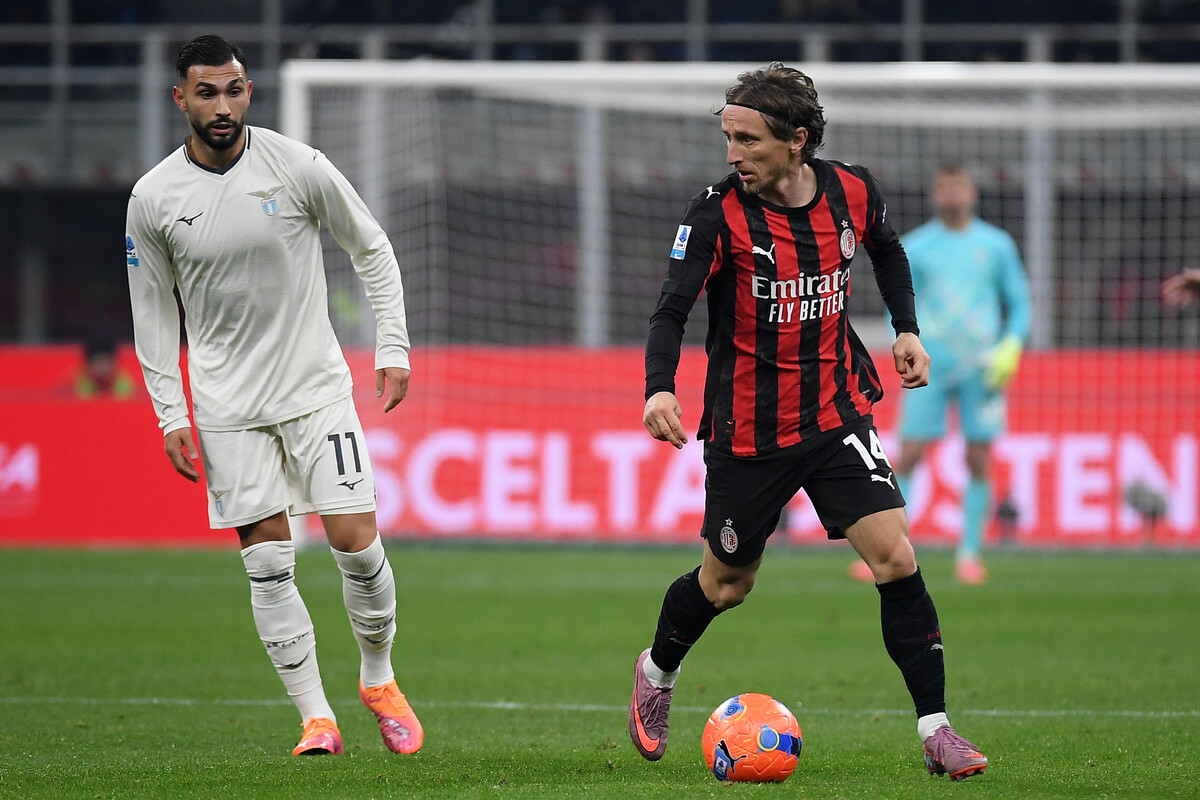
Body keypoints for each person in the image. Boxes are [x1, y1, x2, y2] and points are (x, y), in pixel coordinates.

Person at [629, 63, 987, 781]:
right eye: (727, 137)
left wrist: (906, 330)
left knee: (895, 555)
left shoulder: (853, 189)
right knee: (728, 583)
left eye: (747, 139)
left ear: (796, 141)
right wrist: (659, 389)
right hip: (748, 431)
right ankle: (656, 670)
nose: (732, 154)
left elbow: (886, 250)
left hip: (834, 412)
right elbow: (671, 309)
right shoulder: (715, 214)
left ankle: (938, 731)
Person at [125, 35, 422, 757]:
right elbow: (153, 314)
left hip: (316, 391)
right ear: (181, 99)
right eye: (206, 92)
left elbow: (371, 246)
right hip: (227, 407)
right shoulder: (154, 198)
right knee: (266, 563)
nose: (222, 105)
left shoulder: (297, 165)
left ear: (248, 90)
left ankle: (378, 678)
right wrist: (171, 413)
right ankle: (315, 717)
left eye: (233, 90)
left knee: (356, 546)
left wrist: (393, 346)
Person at [850, 164, 1030, 586]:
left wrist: (1011, 346)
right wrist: (903, 337)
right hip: (928, 365)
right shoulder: (916, 246)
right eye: (945, 188)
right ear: (936, 194)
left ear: (972, 192)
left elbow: (1021, 303)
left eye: (959, 187)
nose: (953, 195)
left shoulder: (996, 245)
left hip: (981, 366)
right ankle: (887, 548)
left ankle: (969, 552)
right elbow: (896, 301)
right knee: (908, 453)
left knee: (979, 457)